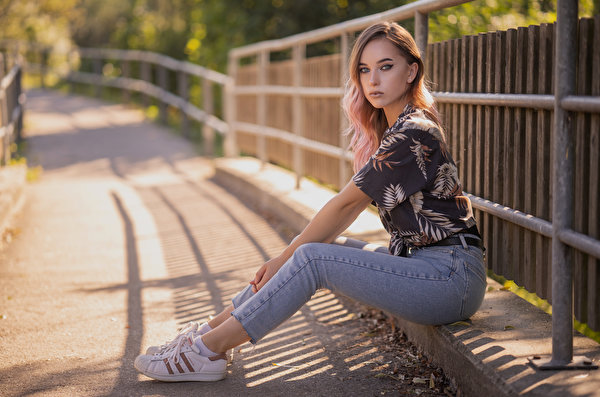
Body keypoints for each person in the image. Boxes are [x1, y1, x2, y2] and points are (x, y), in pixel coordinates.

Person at [134, 21, 486, 382]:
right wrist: (283, 260)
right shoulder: (397, 128)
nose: (373, 81)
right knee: (324, 247)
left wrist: (283, 258)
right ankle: (207, 332)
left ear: (412, 71)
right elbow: (340, 217)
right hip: (430, 267)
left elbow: (345, 207)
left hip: (449, 277)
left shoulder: (414, 132)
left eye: (386, 66)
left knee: (312, 257)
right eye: (364, 70)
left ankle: (208, 349)